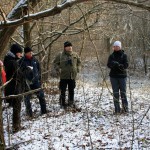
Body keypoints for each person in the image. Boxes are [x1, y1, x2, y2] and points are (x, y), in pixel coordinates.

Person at [19, 47, 47, 117]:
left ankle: (44, 112)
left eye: (31, 52)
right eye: (29, 52)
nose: (31, 53)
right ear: (25, 53)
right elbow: (19, 72)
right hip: (26, 83)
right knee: (27, 99)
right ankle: (29, 114)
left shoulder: (35, 60)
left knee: (41, 96)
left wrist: (40, 79)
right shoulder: (21, 61)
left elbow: (39, 70)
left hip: (36, 82)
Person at [53, 41, 81, 109]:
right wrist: (58, 69)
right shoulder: (60, 55)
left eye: (71, 46)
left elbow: (79, 63)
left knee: (71, 90)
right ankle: (62, 103)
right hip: (63, 76)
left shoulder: (75, 55)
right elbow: (55, 63)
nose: (70, 47)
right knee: (63, 90)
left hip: (72, 76)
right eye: (68, 46)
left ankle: (71, 102)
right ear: (65, 47)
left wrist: (78, 69)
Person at [4, 43, 23, 133]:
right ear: (15, 52)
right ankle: (16, 127)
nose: (21, 54)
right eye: (19, 52)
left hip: (12, 87)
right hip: (14, 87)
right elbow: (18, 75)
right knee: (16, 108)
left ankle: (16, 126)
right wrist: (27, 71)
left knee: (16, 108)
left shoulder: (9, 60)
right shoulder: (12, 62)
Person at [107, 41, 129, 114]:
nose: (116, 47)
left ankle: (125, 109)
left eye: (117, 46)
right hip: (113, 77)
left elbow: (126, 65)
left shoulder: (124, 55)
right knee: (115, 93)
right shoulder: (111, 56)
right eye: (115, 46)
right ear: (113, 47)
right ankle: (117, 110)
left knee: (123, 93)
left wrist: (120, 65)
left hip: (122, 77)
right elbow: (108, 64)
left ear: (120, 47)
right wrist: (113, 64)